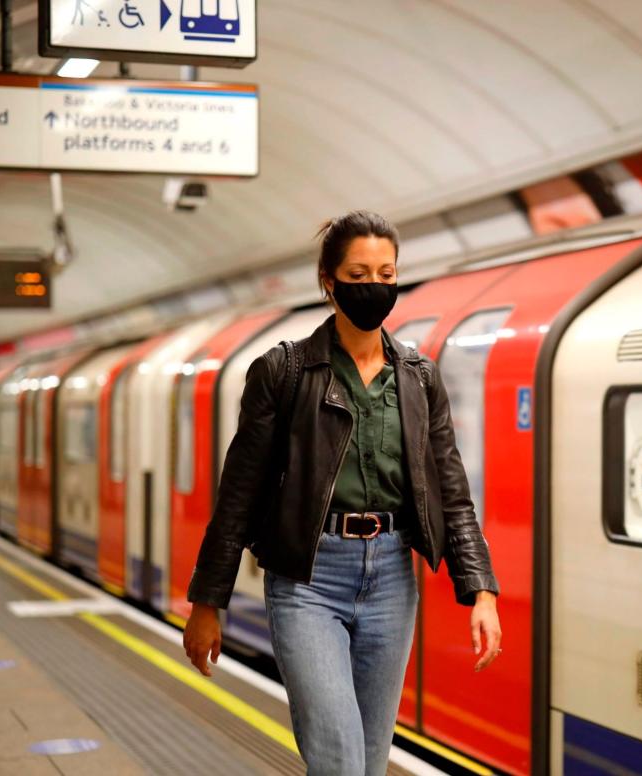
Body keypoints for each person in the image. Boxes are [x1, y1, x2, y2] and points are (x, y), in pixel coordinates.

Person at [182, 210, 502, 775]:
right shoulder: (283, 372)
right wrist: (207, 602)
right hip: (308, 581)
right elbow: (239, 493)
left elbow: (451, 490)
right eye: (359, 274)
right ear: (329, 281)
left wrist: (480, 589)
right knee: (338, 757)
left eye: (386, 272)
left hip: (391, 581)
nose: (375, 286)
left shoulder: (419, 378)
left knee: (371, 762)